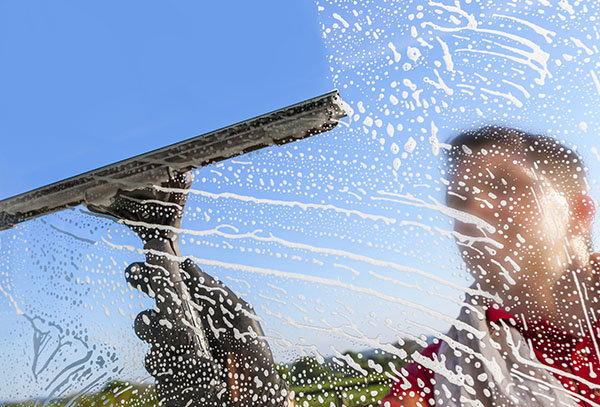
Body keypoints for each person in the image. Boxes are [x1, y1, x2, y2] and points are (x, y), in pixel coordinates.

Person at [380, 126, 600, 407]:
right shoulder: (440, 373)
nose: (474, 208)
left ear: (578, 214)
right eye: (459, 202)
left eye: (504, 185)